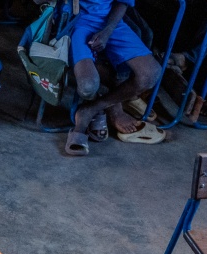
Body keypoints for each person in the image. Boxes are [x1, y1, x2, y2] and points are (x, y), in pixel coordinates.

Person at [65, 0, 163, 155]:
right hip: (75, 22)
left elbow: (122, 3)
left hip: (108, 21)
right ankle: (109, 109)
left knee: (151, 73)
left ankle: (91, 110)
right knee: (88, 87)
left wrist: (107, 30)